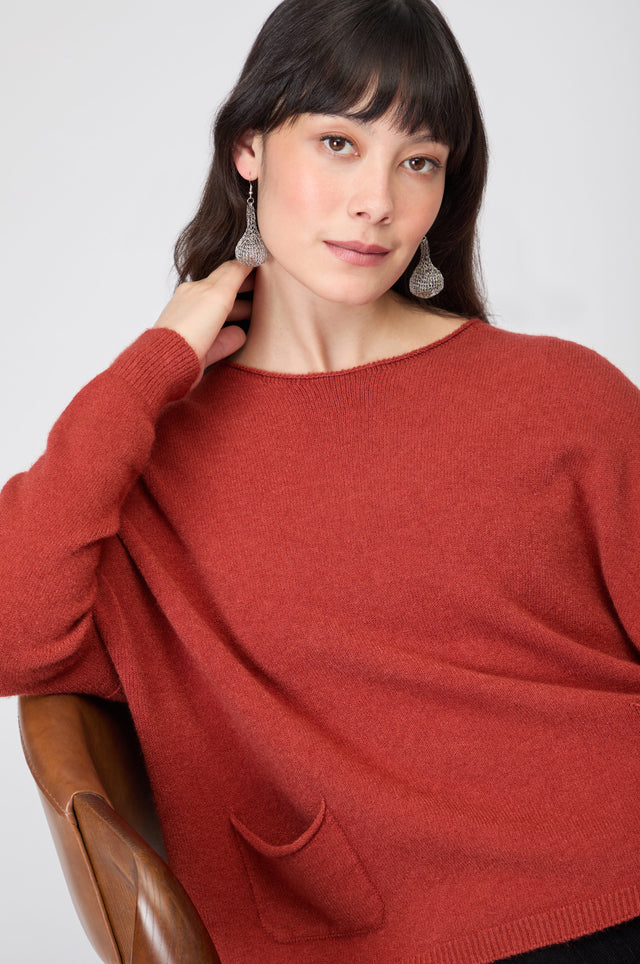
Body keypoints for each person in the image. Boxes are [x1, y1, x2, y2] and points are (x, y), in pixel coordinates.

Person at [1, 0, 639, 961]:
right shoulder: (147, 461)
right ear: (248, 150)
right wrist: (156, 361)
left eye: (416, 160)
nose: (376, 199)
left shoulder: (561, 396)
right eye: (339, 143)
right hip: (356, 938)